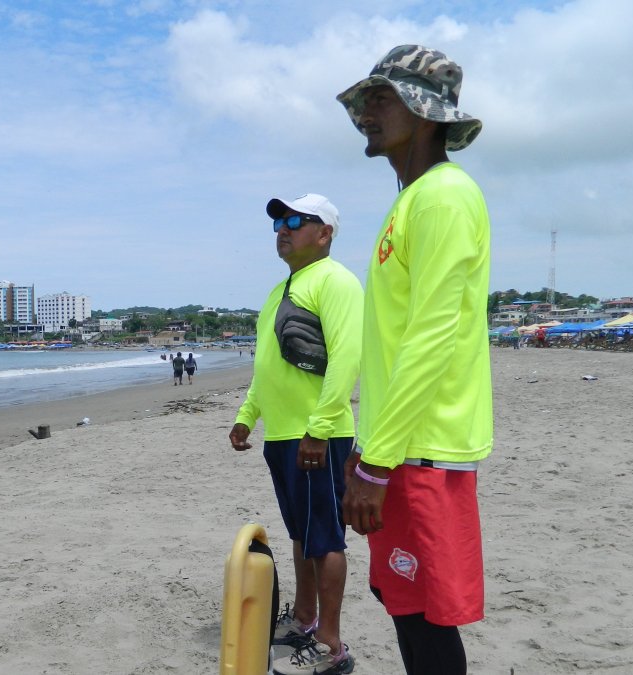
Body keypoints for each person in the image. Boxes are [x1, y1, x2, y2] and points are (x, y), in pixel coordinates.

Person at [336, 45, 493, 675]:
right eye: (367, 100)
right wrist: (368, 444)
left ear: (426, 113)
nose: (368, 112)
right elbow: (392, 342)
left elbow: (432, 337)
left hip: (422, 450)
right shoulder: (411, 200)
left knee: (425, 620)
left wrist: (377, 462)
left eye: (383, 98)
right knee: (401, 602)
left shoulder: (444, 197)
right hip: (399, 445)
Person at [229, 193, 362, 674]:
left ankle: (332, 644)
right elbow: (267, 366)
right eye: (277, 223)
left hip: (317, 436)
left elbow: (347, 360)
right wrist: (248, 414)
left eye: (293, 220)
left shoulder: (336, 281)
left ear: (324, 232)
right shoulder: (279, 292)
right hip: (283, 436)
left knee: (325, 538)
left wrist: (320, 429)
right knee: (302, 534)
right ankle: (305, 619)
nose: (282, 229)